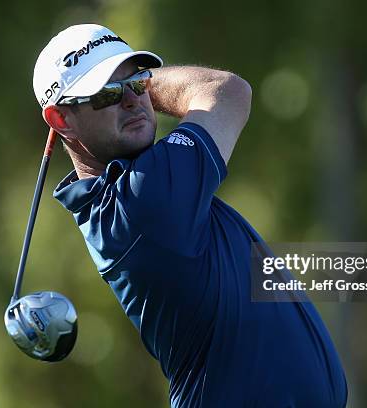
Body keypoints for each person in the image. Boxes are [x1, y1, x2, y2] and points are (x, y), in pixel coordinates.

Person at [33, 23, 347, 407]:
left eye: (137, 83)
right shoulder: (145, 200)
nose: (132, 101)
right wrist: (146, 84)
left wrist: (128, 85)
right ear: (61, 120)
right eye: (108, 94)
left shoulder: (130, 195)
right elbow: (227, 91)